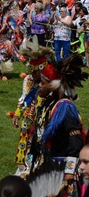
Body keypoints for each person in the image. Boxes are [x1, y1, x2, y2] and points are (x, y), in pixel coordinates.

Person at [29, 55, 88, 196]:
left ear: (53, 86)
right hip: (49, 165)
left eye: (43, 83)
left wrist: (69, 170)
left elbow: (76, 139)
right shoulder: (47, 104)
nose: (40, 86)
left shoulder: (64, 107)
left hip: (61, 167)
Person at [13, 36, 55, 176]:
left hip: (41, 124)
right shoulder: (29, 81)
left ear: (42, 70)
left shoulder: (50, 86)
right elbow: (25, 98)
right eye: (31, 70)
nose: (32, 73)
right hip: (27, 121)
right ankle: (23, 170)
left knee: (38, 151)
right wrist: (18, 114)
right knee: (24, 150)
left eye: (35, 71)